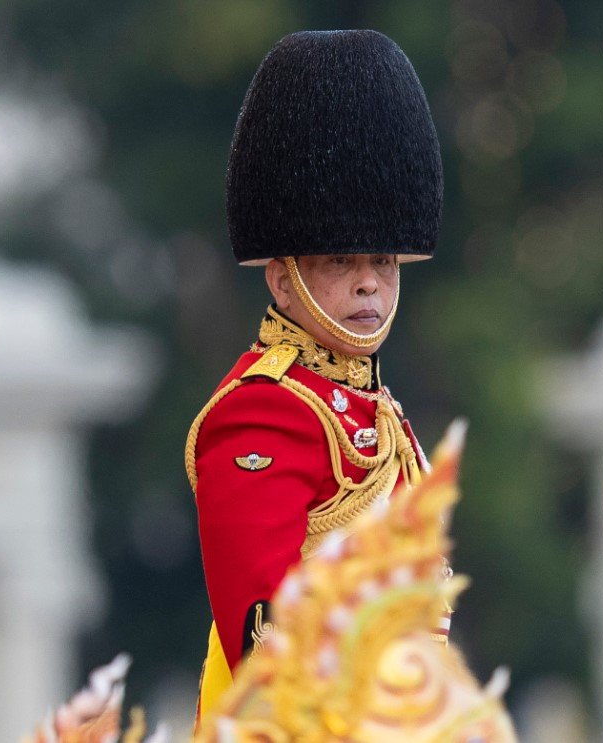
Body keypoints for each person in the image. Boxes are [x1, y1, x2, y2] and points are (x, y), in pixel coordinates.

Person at [184, 29, 444, 723]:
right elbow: (268, 642)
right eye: (339, 263)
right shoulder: (261, 411)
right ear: (282, 278)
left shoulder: (378, 409)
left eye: (382, 263)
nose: (368, 286)